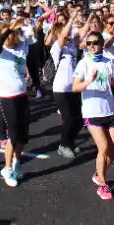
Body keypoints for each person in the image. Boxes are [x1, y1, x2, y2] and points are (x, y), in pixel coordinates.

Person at [73, 31, 114, 200]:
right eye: (89, 43)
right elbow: (75, 88)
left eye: (95, 43)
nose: (92, 46)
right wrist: (89, 81)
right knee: (104, 147)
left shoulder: (108, 62)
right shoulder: (83, 63)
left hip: (109, 110)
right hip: (92, 111)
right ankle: (102, 185)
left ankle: (99, 174)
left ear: (101, 44)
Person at [0, 18, 31, 187]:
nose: (9, 37)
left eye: (11, 34)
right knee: (13, 135)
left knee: (23, 136)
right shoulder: (0, 52)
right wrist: (10, 28)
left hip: (22, 94)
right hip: (7, 97)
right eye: (5, 35)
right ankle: (7, 169)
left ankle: (16, 162)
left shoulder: (23, 47)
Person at [49, 9, 83, 159]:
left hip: (73, 88)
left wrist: (89, 19)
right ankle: (63, 145)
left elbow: (82, 33)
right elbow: (63, 35)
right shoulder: (56, 47)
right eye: (64, 32)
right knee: (68, 119)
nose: (68, 34)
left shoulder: (72, 47)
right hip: (61, 89)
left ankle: (70, 142)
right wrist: (73, 17)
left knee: (79, 119)